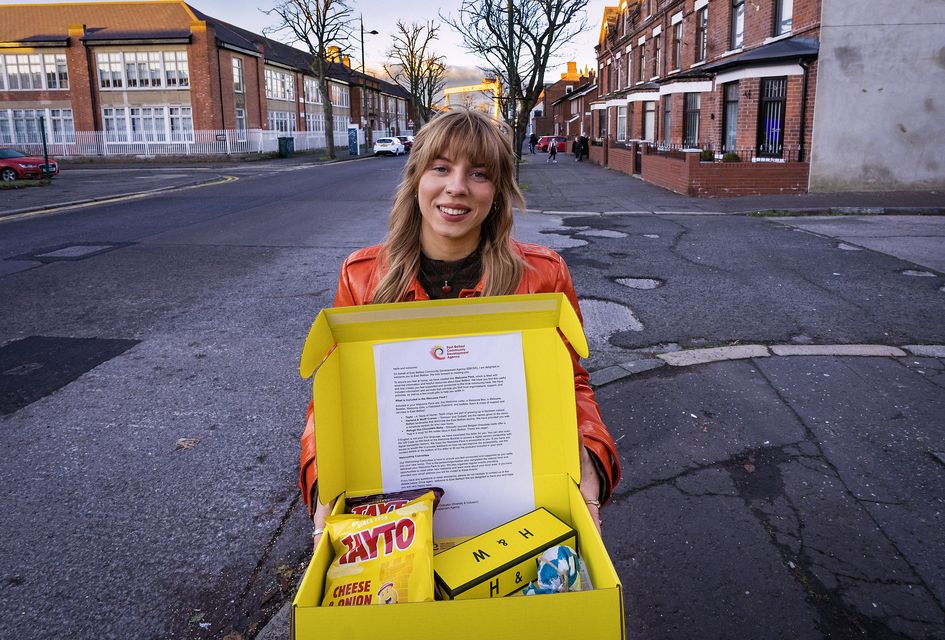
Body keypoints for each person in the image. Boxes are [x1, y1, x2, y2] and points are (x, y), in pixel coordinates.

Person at [299, 108, 620, 547]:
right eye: (441, 168)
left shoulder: (542, 277)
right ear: (416, 179)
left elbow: (572, 386)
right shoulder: (362, 277)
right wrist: (323, 484)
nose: (456, 187)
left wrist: (589, 463)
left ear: (497, 192)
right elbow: (334, 401)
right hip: (394, 515)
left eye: (479, 173)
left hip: (512, 506)